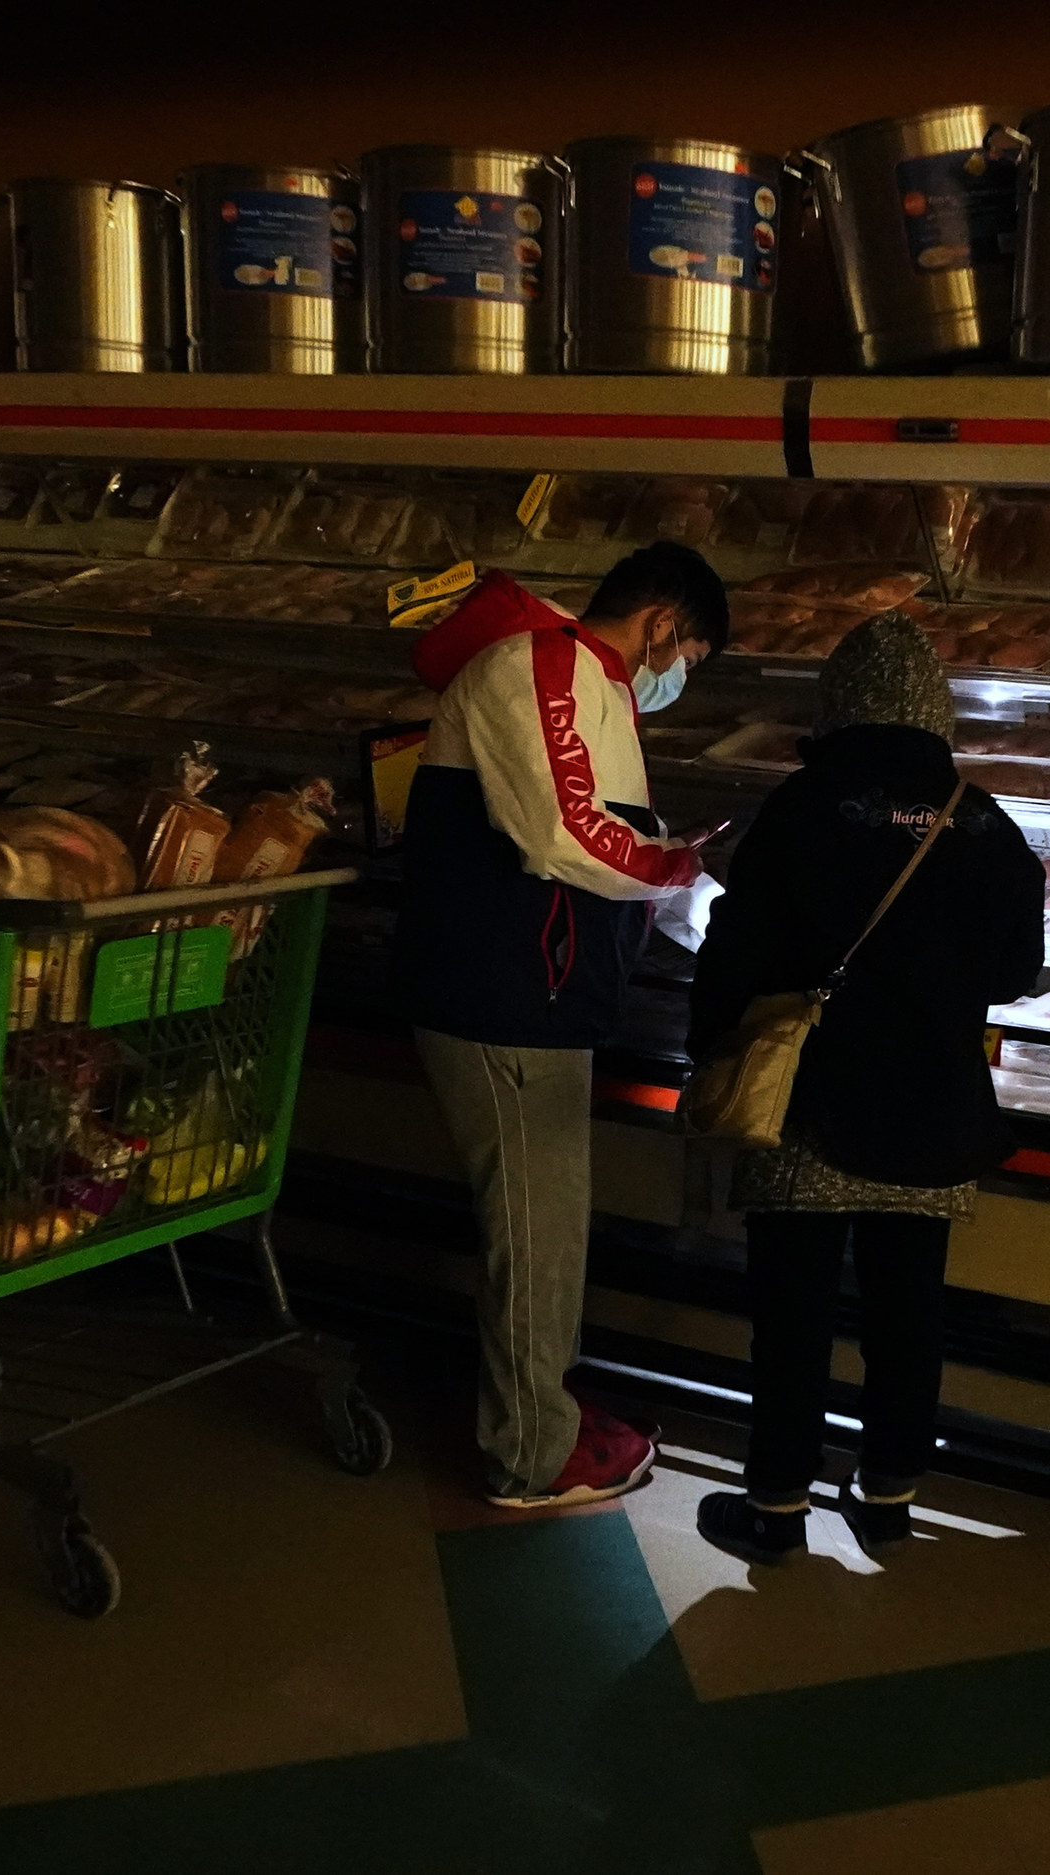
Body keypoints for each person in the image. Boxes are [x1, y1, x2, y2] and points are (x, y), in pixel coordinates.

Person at [684, 616, 1044, 1564]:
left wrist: (709, 1047)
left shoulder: (804, 805)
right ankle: (887, 1495)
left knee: (793, 1315)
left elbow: (737, 944)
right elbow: (1018, 968)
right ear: (935, 709)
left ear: (837, 703)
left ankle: (774, 1509)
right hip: (934, 1105)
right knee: (907, 1313)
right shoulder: (984, 818)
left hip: (811, 1099)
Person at [397, 542, 728, 1508]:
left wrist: (711, 918)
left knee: (550, 1226)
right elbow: (563, 834)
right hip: (502, 997)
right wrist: (673, 874)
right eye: (692, 657)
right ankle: (530, 1455)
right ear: (664, 621)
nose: (680, 677)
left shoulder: (594, 687)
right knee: (534, 1232)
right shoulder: (539, 662)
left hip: (545, 996)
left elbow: (621, 836)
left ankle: (546, 1407)